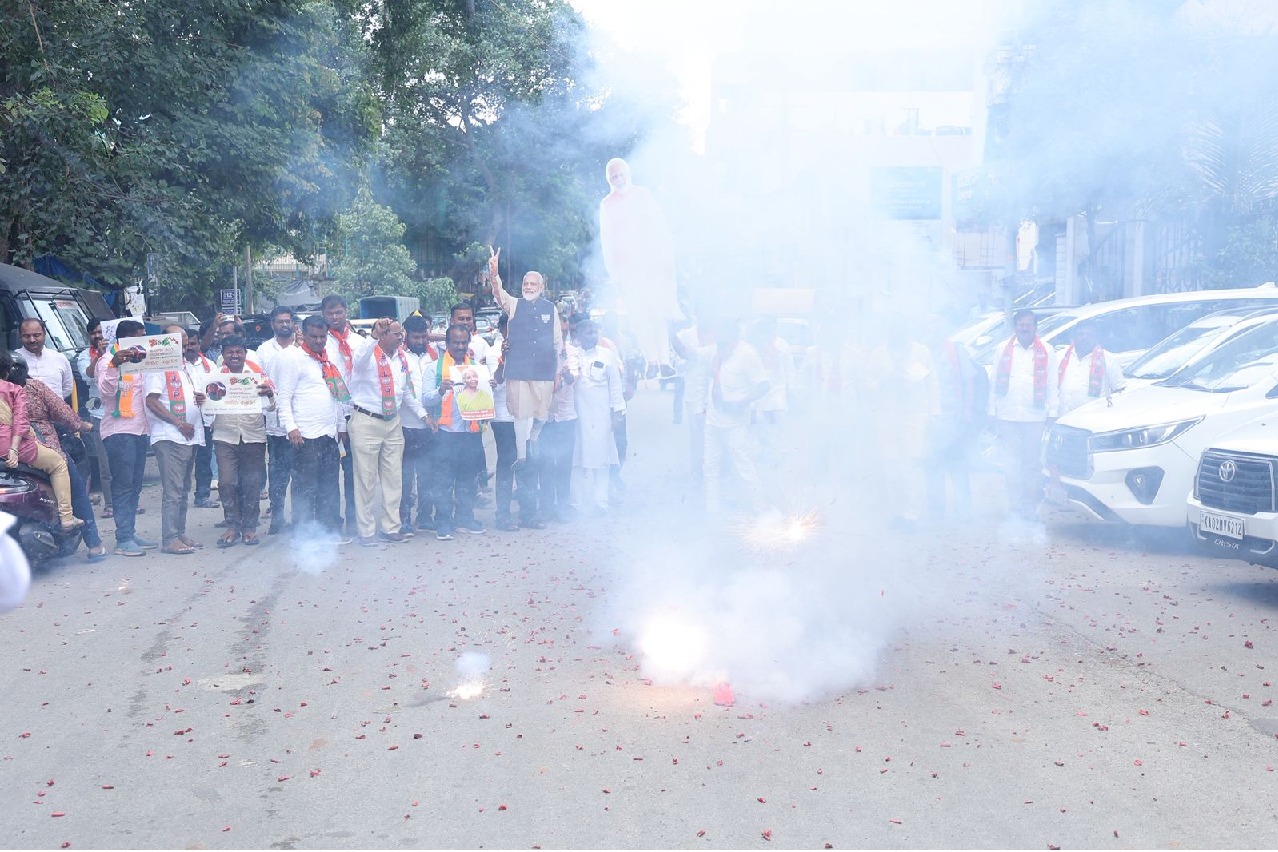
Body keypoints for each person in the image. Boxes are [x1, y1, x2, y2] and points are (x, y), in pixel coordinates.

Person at [7, 358, 107, 561]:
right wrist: (82, 425)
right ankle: (93, 543)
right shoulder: (34, 387)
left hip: (7, 451)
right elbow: (63, 412)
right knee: (77, 490)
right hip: (41, 446)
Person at [674, 317, 770, 515]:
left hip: (736, 424)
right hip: (712, 421)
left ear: (734, 337)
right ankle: (713, 513)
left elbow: (763, 385)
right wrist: (668, 330)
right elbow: (686, 353)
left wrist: (742, 402)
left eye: (723, 340)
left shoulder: (747, 354)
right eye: (717, 339)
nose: (719, 343)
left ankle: (761, 510)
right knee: (710, 469)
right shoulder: (713, 351)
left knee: (744, 468)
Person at [347, 318, 429, 546]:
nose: (401, 337)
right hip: (367, 421)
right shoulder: (367, 355)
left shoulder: (401, 359)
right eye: (395, 333)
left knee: (394, 478)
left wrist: (423, 415)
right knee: (366, 480)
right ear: (382, 336)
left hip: (393, 423)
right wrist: (373, 336)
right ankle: (366, 532)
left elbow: (406, 393)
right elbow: (358, 360)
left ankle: (391, 527)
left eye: (401, 333)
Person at [598, 157, 681, 376]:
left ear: (628, 174)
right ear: (609, 180)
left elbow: (661, 228)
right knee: (640, 317)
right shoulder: (607, 204)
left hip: (652, 266)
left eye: (621, 175)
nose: (618, 180)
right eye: (614, 177)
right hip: (627, 271)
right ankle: (651, 362)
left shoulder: (643, 195)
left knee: (659, 313)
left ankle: (664, 362)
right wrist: (615, 276)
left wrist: (668, 260)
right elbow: (606, 241)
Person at [275, 315, 349, 542]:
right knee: (304, 487)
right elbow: (283, 397)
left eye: (322, 336)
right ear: (303, 335)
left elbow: (336, 396)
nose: (318, 341)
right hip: (304, 435)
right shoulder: (293, 358)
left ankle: (329, 531)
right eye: (313, 336)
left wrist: (340, 426)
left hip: (328, 434)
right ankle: (303, 534)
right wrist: (291, 428)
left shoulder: (327, 360)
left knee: (329, 486)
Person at [485, 248, 562, 466]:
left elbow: (557, 342)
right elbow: (499, 293)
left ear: (541, 287)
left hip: (544, 370)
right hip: (518, 370)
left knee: (542, 413)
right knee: (520, 413)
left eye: (532, 284)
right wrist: (493, 272)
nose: (528, 287)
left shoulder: (551, 309)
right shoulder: (514, 304)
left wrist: (557, 372)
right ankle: (522, 457)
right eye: (525, 284)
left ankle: (534, 437)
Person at [864, 324, 940, 529]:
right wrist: (883, 381)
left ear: (907, 332)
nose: (896, 334)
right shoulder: (877, 354)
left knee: (911, 464)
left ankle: (911, 514)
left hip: (914, 416)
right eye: (892, 331)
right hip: (886, 416)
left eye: (900, 331)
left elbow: (932, 383)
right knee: (890, 465)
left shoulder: (922, 352)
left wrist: (934, 413)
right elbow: (867, 383)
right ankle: (896, 512)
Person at [0, 352, 83, 533]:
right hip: (13, 446)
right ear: (6, 372)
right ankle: (67, 517)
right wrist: (13, 449)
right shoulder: (15, 390)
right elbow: (21, 422)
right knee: (58, 464)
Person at [991, 309, 1061, 519]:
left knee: (1031, 465)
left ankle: (1030, 506)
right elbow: (994, 382)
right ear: (1015, 327)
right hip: (1007, 415)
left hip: (1034, 417)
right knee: (1011, 464)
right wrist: (991, 411)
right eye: (1021, 324)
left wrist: (1053, 412)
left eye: (1028, 324)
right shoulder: (1002, 349)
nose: (1024, 328)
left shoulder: (1047, 350)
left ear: (1035, 327)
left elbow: (1052, 384)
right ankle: (1015, 507)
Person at [143, 326, 207, 555]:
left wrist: (199, 399)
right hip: (171, 437)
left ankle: (179, 533)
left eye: (186, 342)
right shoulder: (157, 366)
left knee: (184, 489)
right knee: (173, 490)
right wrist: (179, 423)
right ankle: (169, 538)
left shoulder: (184, 367)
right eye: (179, 342)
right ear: (166, 342)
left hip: (188, 437)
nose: (185, 346)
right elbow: (151, 401)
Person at [96, 319, 157, 557]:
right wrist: (115, 364)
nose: (143, 341)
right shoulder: (106, 361)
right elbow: (106, 393)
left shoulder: (142, 359)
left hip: (141, 429)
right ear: (125, 339)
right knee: (123, 486)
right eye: (139, 337)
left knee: (135, 486)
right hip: (119, 431)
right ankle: (123, 539)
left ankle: (129, 533)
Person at [209, 335, 274, 547]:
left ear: (245, 354)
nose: (235, 355)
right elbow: (206, 407)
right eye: (230, 352)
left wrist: (269, 394)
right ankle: (232, 526)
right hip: (224, 436)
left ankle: (249, 528)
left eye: (239, 351)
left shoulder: (257, 375)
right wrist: (202, 401)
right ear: (223, 355)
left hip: (253, 435)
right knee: (227, 482)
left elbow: (273, 406)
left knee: (252, 483)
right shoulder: (214, 376)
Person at [423, 325, 486, 540]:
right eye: (455, 343)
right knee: (443, 480)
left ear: (468, 343)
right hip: (445, 434)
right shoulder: (435, 368)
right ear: (447, 344)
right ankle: (443, 522)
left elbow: (484, 398)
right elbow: (425, 399)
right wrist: (440, 390)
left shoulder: (477, 369)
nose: (460, 346)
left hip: (470, 432)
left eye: (463, 342)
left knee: (468, 479)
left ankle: (464, 519)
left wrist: (489, 386)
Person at [926, 323, 984, 521]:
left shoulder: (957, 351)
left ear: (942, 331)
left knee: (958, 465)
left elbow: (969, 381)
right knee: (933, 467)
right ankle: (936, 511)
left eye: (934, 328)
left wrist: (967, 411)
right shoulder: (922, 352)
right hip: (931, 422)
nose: (931, 333)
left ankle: (963, 511)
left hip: (955, 419)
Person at [322, 295, 366, 531]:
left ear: (346, 312)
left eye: (339, 312)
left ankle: (354, 520)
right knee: (330, 473)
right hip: (330, 414)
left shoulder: (360, 342)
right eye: (330, 314)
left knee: (353, 471)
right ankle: (332, 522)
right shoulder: (321, 342)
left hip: (355, 413)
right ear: (324, 315)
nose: (335, 317)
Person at [572, 319, 626, 514]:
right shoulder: (572, 356)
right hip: (576, 417)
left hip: (600, 418)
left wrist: (617, 415)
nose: (593, 336)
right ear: (578, 335)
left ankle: (600, 503)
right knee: (576, 462)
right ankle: (575, 504)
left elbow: (615, 388)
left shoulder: (606, 355)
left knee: (601, 461)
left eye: (595, 332)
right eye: (589, 332)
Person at [255, 306, 297, 535]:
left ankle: (301, 521)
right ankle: (277, 519)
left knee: (300, 473)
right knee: (278, 472)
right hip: (275, 422)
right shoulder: (263, 351)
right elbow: (259, 382)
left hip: (301, 421)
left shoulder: (302, 347)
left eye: (287, 321)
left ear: (293, 323)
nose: (284, 325)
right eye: (280, 321)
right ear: (273, 324)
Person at [540, 315, 581, 523]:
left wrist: (565, 375)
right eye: (559, 332)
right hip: (544, 418)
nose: (562, 336)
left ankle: (563, 506)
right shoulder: (539, 351)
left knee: (564, 463)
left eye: (565, 332)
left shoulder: (572, 352)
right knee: (545, 463)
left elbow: (573, 377)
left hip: (566, 416)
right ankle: (546, 507)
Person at [399, 314, 437, 534]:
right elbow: (404, 393)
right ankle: (403, 518)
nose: (420, 341)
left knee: (427, 474)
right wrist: (423, 415)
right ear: (406, 336)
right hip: (406, 425)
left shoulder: (434, 356)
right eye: (416, 337)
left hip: (431, 427)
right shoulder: (400, 357)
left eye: (424, 337)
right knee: (405, 476)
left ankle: (425, 516)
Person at [77, 319, 113, 515]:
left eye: (100, 331)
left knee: (125, 461)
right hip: (99, 415)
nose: (97, 335)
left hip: (123, 413)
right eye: (93, 333)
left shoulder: (118, 350)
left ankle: (129, 502)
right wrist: (99, 355)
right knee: (105, 463)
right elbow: (88, 375)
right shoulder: (85, 355)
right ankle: (110, 505)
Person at [182, 332, 220, 510]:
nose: (190, 348)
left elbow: (218, 390)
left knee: (204, 459)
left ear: (199, 345)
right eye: (186, 345)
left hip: (205, 419)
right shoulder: (176, 365)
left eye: (193, 344)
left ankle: (202, 495)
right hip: (184, 421)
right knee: (185, 460)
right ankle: (180, 497)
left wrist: (214, 416)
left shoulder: (209, 365)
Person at [1057, 320, 1126, 416]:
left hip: (1093, 419)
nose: (1084, 338)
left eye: (1090, 335)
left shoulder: (1108, 359)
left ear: (1096, 338)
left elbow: (1120, 390)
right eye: (1081, 334)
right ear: (1074, 336)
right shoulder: (1060, 356)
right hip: (1061, 416)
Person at [13, 318, 74, 400]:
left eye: (36, 335)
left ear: (44, 334)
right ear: (20, 337)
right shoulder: (13, 360)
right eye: (27, 336)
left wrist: (52, 402)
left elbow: (67, 388)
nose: (32, 340)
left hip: (56, 407)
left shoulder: (59, 358)